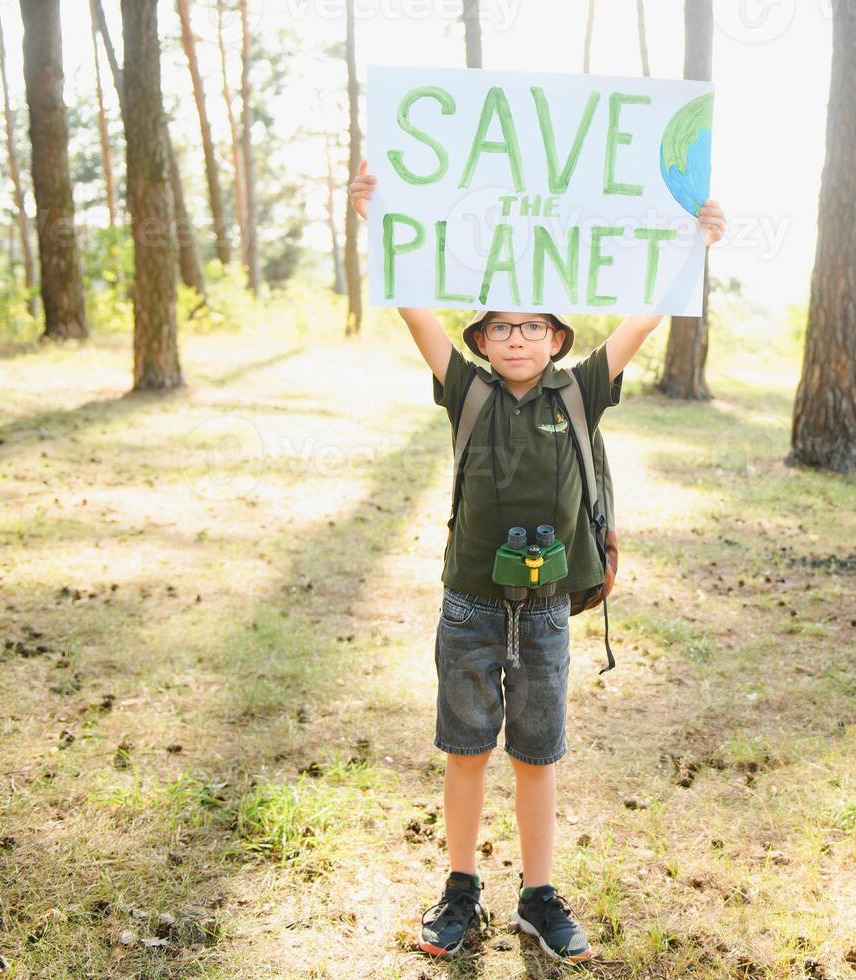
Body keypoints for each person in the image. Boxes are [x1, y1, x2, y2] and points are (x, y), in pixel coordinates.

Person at [349, 159, 725, 963]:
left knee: (535, 756)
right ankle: (459, 889)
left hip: (549, 610)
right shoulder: (468, 391)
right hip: (470, 607)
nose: (515, 339)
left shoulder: (581, 389)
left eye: (532, 328)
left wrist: (694, 245)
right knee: (465, 750)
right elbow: (415, 315)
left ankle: (537, 896)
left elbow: (644, 321)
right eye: (499, 328)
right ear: (480, 339)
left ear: (557, 338)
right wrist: (375, 218)